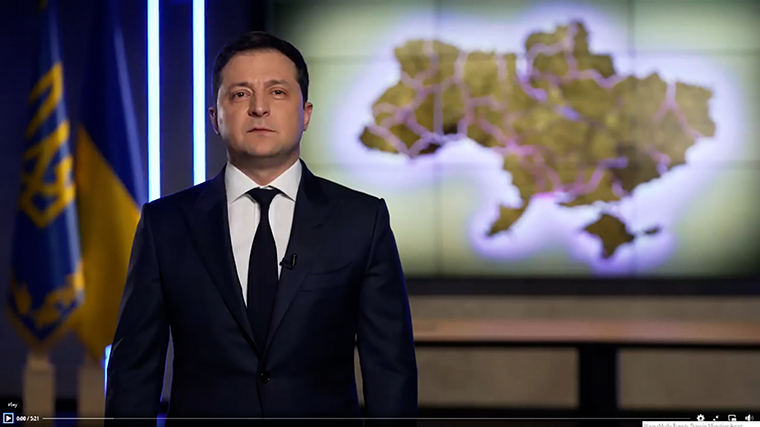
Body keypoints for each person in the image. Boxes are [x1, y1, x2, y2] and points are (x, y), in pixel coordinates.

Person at [104, 31, 418, 422]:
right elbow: (133, 370)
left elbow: (390, 369)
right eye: (240, 94)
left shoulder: (362, 221)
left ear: (306, 113)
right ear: (215, 118)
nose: (259, 108)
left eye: (277, 92)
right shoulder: (165, 225)